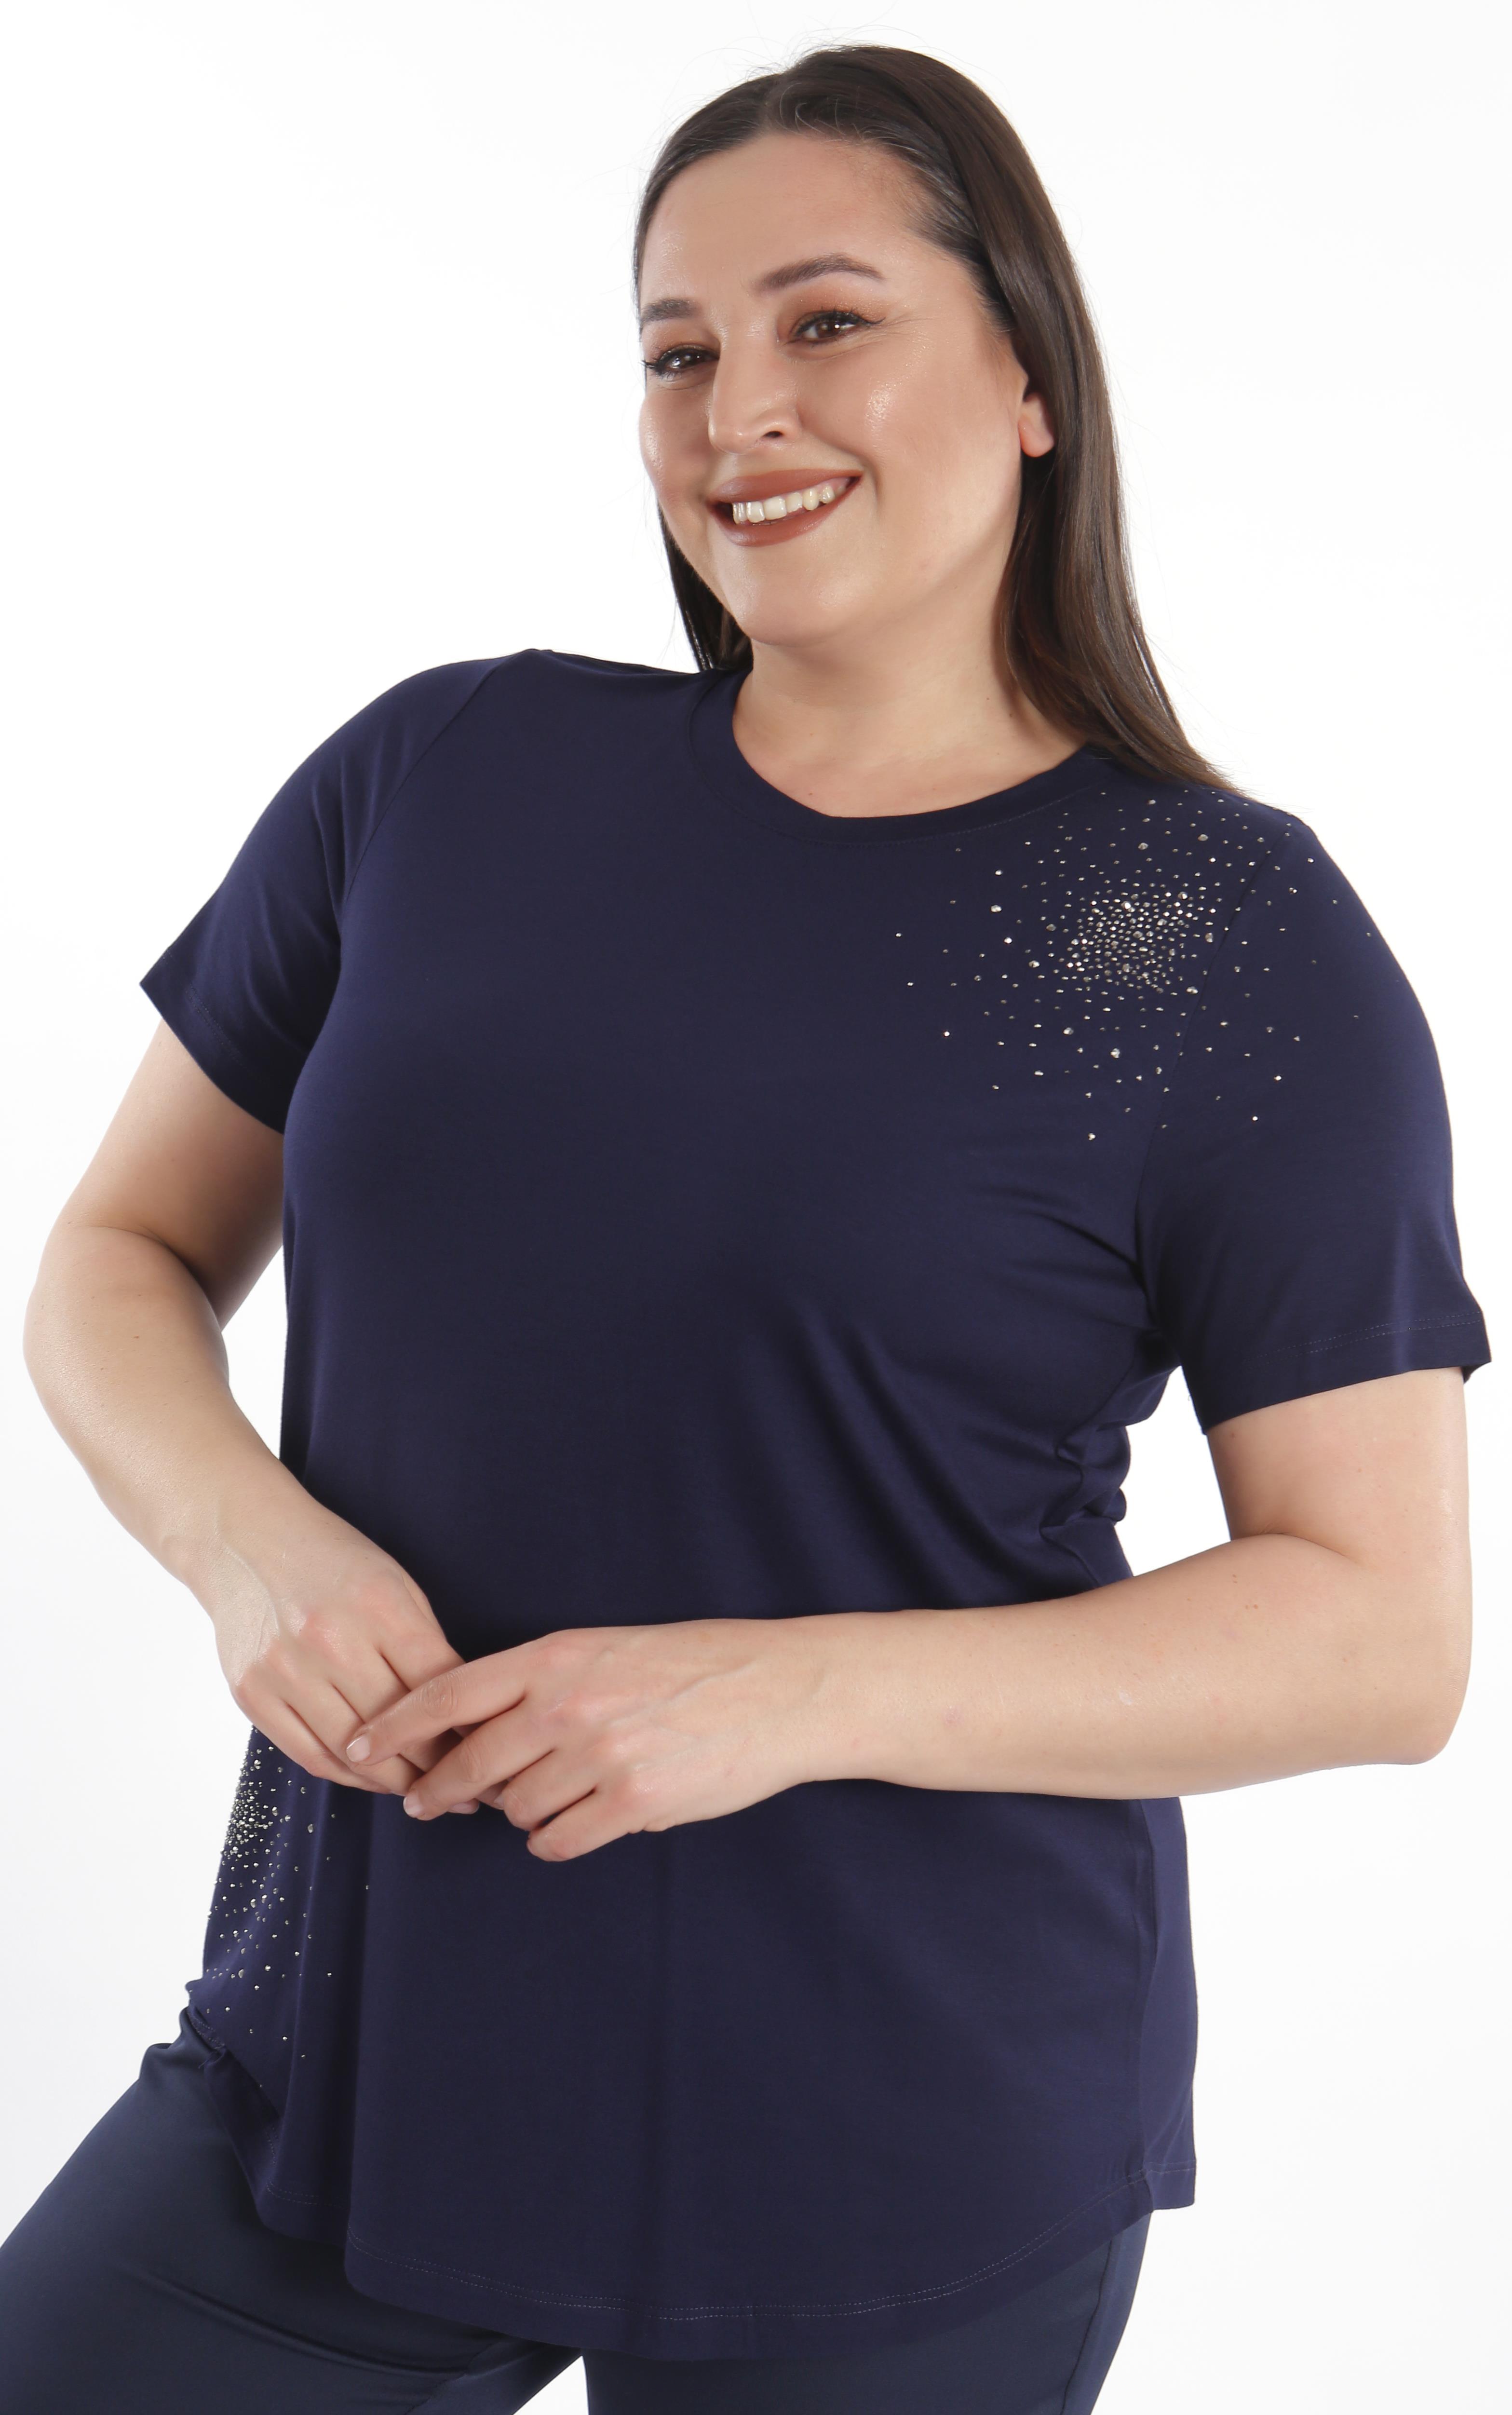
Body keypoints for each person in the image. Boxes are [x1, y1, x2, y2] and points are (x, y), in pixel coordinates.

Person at [1, 40, 1489, 2415]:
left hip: (900, 2126)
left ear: (1027, 376)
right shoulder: (441, 778)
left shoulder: (1211, 934)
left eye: (825, 323)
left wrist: (786, 1692)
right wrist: (247, 1548)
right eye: (676, 351)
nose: (737, 413)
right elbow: (118, 1259)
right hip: (355, 2041)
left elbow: (1379, 1635)